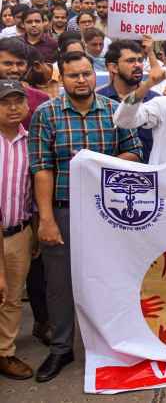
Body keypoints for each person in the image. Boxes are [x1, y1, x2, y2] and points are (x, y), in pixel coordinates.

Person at [29, 52, 142, 382]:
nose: (81, 80)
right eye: (73, 75)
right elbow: (41, 168)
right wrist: (46, 219)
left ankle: (114, 344)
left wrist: (95, 161)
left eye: (86, 75)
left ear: (96, 77)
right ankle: (62, 348)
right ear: (60, 78)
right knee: (60, 283)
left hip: (108, 212)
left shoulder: (113, 111)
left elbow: (134, 151)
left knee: (112, 277)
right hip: (64, 209)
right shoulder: (46, 115)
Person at [0, 80, 35, 379]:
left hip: (20, 231)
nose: (13, 108)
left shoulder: (31, 141)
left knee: (12, 298)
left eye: (17, 101)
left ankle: (5, 352)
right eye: (5, 102)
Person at [99, 38, 159, 163]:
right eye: (130, 61)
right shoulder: (99, 101)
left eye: (140, 60)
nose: (137, 65)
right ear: (113, 67)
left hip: (151, 174)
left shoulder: (155, 99)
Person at [0, 38, 49, 128]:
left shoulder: (41, 99)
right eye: (8, 64)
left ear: (27, 65)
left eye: (20, 64)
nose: (15, 69)